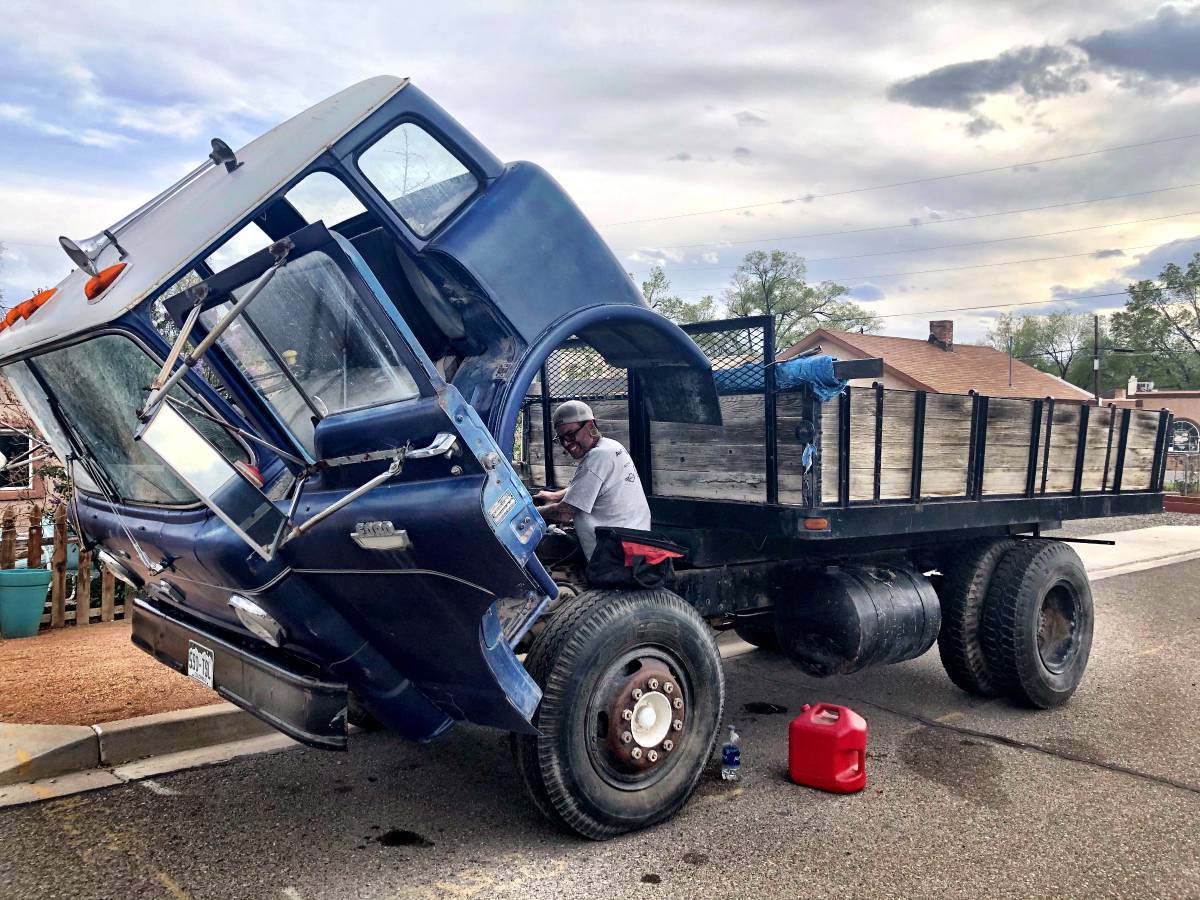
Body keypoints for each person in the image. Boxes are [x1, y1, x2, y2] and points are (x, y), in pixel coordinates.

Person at [534, 399, 651, 560]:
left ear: (590, 426)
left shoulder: (597, 457)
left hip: (615, 557)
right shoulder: (611, 446)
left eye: (570, 434)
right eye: (561, 439)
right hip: (632, 546)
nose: (566, 443)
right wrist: (554, 496)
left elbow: (564, 513)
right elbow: (595, 486)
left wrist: (531, 513)